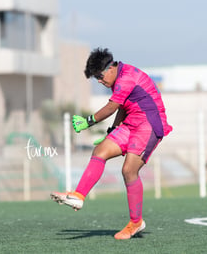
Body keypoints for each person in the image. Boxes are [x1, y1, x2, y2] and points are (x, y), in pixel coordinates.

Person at [50, 48, 172, 240]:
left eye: (99, 76)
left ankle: (135, 223)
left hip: (149, 124)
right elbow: (123, 108)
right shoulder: (118, 79)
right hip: (132, 122)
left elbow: (112, 107)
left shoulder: (126, 78)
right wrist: (112, 132)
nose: (99, 81)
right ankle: (78, 196)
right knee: (100, 151)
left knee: (129, 171)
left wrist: (88, 121)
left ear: (110, 68)